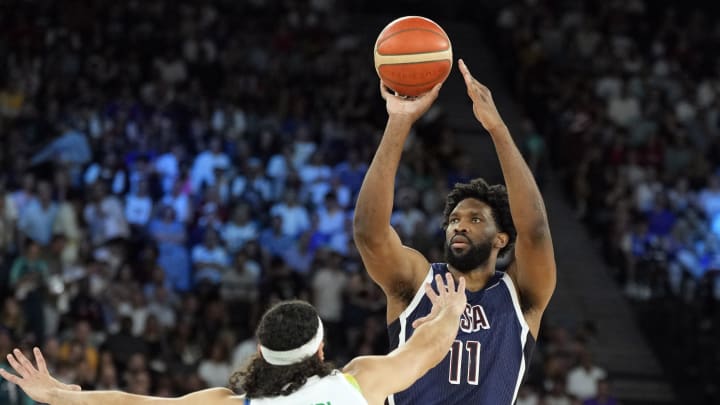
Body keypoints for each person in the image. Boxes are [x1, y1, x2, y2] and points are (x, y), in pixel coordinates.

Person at [352, 59, 557, 405]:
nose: (459, 224)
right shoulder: (417, 281)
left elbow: (535, 230)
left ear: (501, 238)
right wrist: (400, 120)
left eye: (475, 219)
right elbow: (368, 232)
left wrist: (497, 130)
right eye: (454, 220)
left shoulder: (521, 295)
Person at [0, 273, 467, 405]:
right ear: (322, 349)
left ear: (261, 354)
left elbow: (135, 403)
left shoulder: (230, 403)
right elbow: (427, 349)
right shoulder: (360, 381)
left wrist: (62, 397)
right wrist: (448, 312)